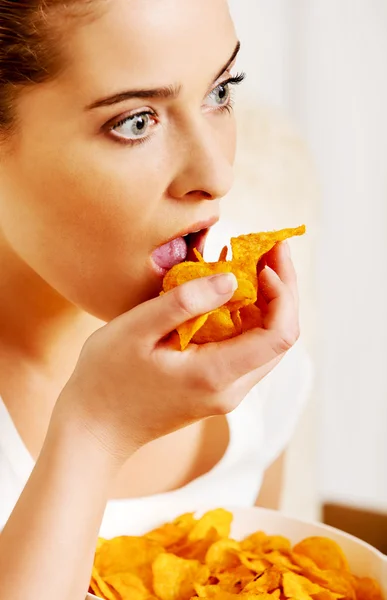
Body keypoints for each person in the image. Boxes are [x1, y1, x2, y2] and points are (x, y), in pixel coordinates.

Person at [0, 0, 312, 598]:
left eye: (222, 90)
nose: (216, 173)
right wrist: (95, 432)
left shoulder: (252, 362)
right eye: (136, 121)